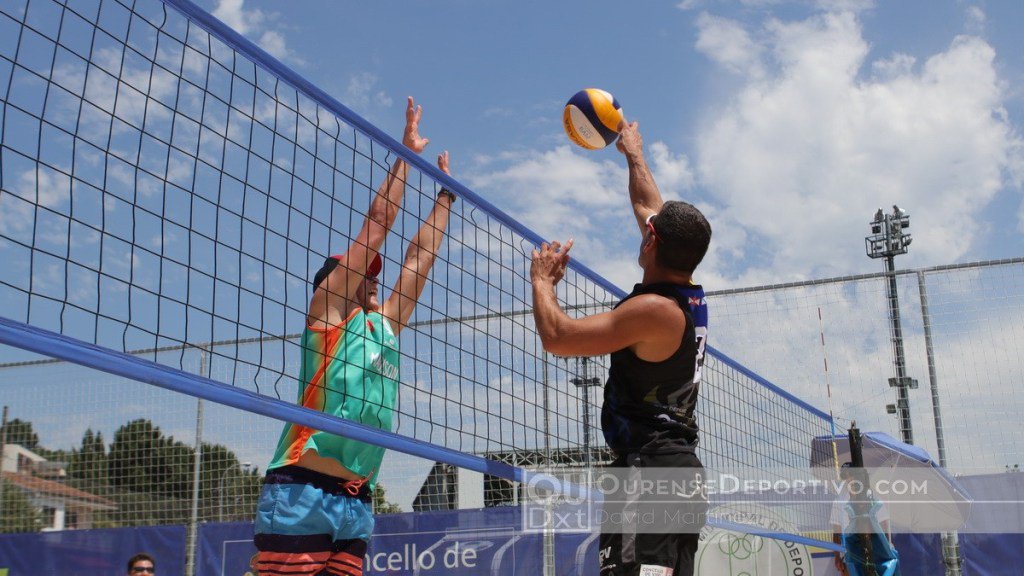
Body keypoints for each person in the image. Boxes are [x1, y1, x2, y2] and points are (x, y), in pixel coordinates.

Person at [253, 96, 456, 576]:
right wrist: (406, 156)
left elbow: (418, 259)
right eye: (362, 271)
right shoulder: (326, 318)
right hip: (301, 488)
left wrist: (445, 196)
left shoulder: (384, 325)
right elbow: (379, 225)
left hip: (357, 501)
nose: (372, 276)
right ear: (334, 282)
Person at [531, 120, 712, 576]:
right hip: (674, 470)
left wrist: (542, 282)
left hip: (649, 473)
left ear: (652, 241)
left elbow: (558, 338)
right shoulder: (687, 293)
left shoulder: (654, 309)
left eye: (649, 230)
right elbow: (648, 204)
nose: (644, 226)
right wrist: (633, 153)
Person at [831, 462, 900, 576]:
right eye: (845, 476)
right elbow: (836, 531)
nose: (849, 478)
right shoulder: (838, 502)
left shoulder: (873, 497)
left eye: (851, 474)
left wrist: (886, 548)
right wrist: (837, 557)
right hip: (851, 555)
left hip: (876, 552)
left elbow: (884, 524)